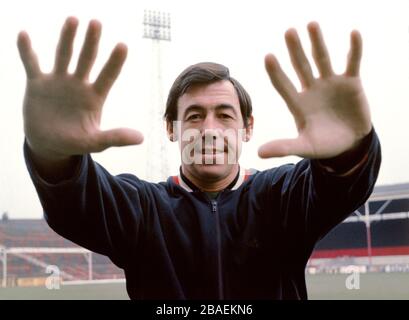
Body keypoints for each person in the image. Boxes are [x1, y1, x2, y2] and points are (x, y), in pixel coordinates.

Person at [18, 17, 381, 299]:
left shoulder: (280, 198)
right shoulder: (144, 209)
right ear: (171, 129)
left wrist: (349, 151)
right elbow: (74, 203)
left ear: (247, 128)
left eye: (225, 115)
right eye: (194, 116)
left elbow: (337, 186)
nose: (209, 129)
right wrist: (54, 153)